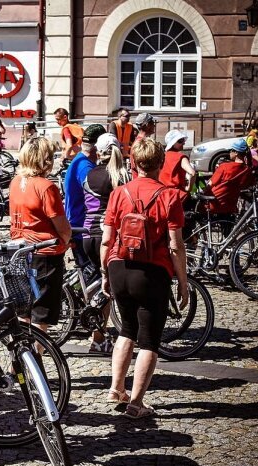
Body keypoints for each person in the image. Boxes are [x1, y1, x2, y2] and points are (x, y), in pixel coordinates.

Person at [100, 138, 188, 418]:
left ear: (133, 163)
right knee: (149, 339)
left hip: (118, 266)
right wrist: (183, 282)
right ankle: (136, 404)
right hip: (151, 271)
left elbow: (106, 240)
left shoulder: (118, 193)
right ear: (161, 164)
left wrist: (105, 273)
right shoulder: (170, 196)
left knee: (126, 329)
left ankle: (116, 388)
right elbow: (175, 245)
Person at [9, 137, 72, 333]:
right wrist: (67, 240)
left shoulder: (16, 182)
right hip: (45, 254)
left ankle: (19, 359)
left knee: (23, 311)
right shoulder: (46, 186)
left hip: (19, 250)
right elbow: (62, 226)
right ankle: (34, 358)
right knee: (40, 313)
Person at [82, 133, 128, 354]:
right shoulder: (120, 175)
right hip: (106, 236)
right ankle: (98, 338)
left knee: (97, 285)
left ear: (98, 152)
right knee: (108, 287)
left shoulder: (90, 174)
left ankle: (97, 332)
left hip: (87, 234)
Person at [64, 124, 106, 266]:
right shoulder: (85, 168)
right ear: (97, 147)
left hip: (78, 224)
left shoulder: (81, 161)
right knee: (93, 275)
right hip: (83, 227)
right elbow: (99, 197)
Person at [204, 139, 254, 215]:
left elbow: (209, 185)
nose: (229, 152)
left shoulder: (224, 167)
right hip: (230, 207)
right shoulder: (247, 170)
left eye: (231, 150)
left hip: (213, 204)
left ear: (236, 153)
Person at [160, 130, 196, 197]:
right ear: (172, 143)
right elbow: (192, 173)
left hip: (163, 194)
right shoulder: (181, 157)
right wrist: (189, 188)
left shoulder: (162, 156)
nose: (183, 143)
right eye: (180, 141)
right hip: (178, 195)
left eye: (183, 140)